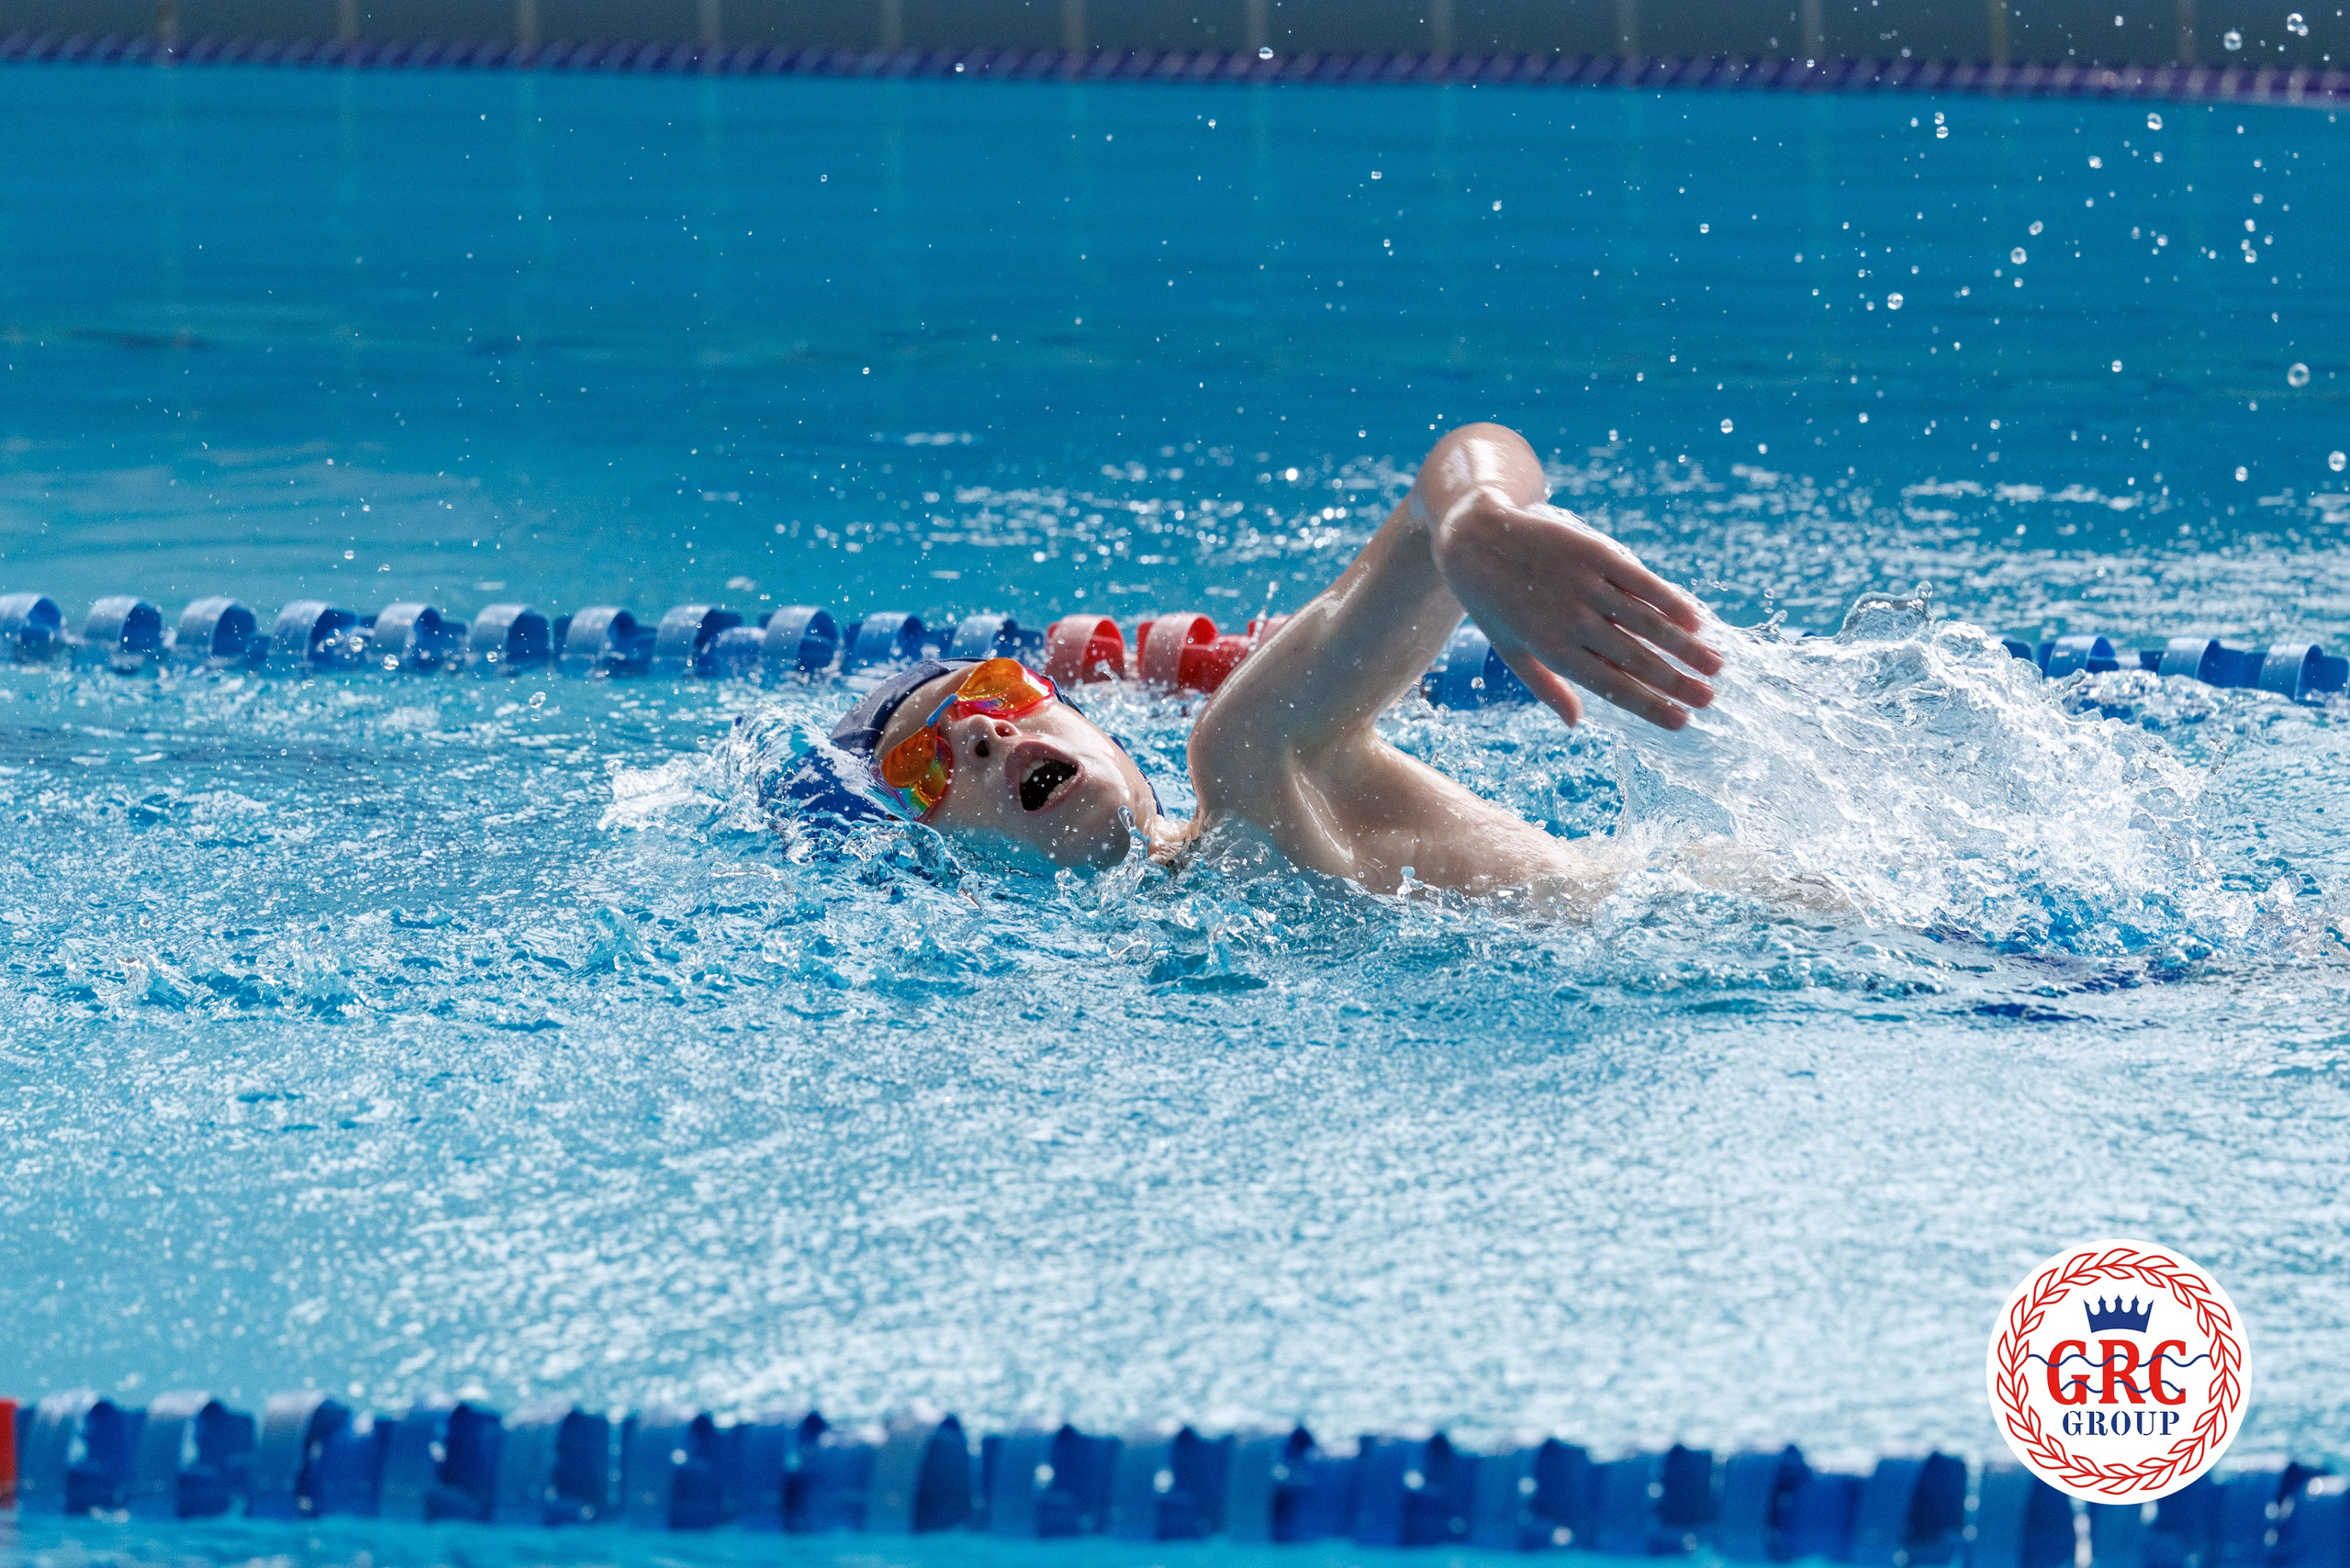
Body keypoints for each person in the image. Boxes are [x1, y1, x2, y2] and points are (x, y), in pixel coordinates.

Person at [815, 422, 1725, 901]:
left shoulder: (1251, 758)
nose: (981, 732)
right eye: (922, 766)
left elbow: (1454, 470)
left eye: (996, 690)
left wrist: (1472, 518)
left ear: (1097, 727)